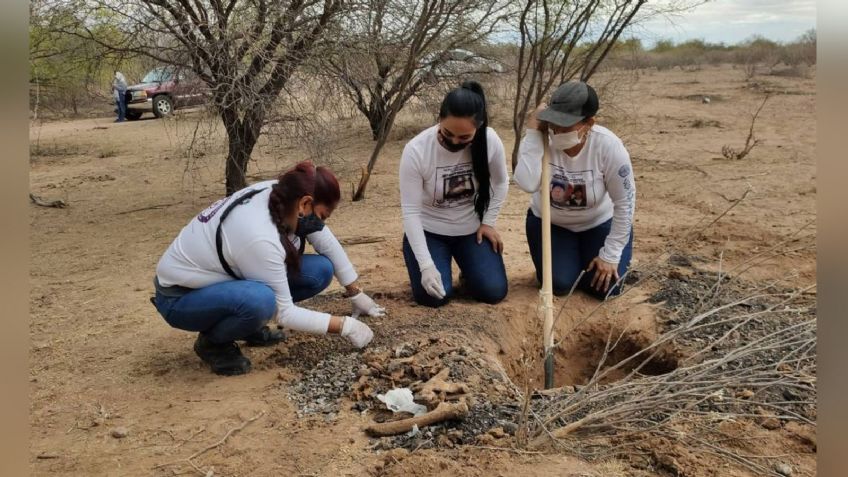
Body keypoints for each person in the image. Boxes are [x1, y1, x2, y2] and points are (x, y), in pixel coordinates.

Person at [152, 161, 385, 376]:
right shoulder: (259, 237)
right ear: (305, 203)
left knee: (320, 271)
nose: (321, 223)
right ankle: (214, 343)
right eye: (321, 216)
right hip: (180, 297)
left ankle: (246, 324)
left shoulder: (283, 193)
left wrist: (355, 291)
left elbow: (325, 239)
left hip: (225, 280)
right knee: (261, 301)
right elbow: (285, 313)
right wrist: (345, 326)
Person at [514, 80, 635, 299]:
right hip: (552, 224)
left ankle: (591, 257)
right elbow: (527, 183)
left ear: (589, 123)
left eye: (566, 126)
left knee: (607, 289)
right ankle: (568, 262)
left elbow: (625, 203)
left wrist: (610, 254)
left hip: (598, 223)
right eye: (554, 123)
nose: (558, 131)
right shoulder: (541, 138)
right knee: (559, 285)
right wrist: (532, 133)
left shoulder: (608, 146)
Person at [400, 80, 509, 307]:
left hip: (470, 230)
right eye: (448, 133)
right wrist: (426, 266)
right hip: (430, 230)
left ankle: (470, 272)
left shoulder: (490, 141)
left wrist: (488, 222)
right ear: (439, 118)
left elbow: (500, 183)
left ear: (477, 129)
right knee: (434, 296)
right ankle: (432, 262)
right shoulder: (416, 150)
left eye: (464, 138)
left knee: (494, 291)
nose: (454, 141)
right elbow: (410, 212)